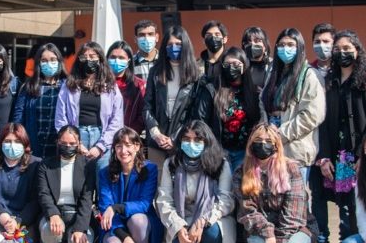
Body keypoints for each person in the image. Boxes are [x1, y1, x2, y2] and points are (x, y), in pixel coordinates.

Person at [312, 30, 366, 243]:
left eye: (347, 48)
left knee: (362, 204)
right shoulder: (329, 80)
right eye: (338, 49)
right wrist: (324, 157)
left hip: (362, 154)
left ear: (357, 50)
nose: (342, 53)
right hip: (339, 155)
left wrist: (364, 153)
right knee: (345, 206)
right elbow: (321, 120)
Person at [156, 120, 238, 243]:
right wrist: (179, 226)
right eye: (186, 139)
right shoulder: (172, 164)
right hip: (183, 215)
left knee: (213, 233)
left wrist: (203, 221)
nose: (191, 144)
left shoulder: (220, 164)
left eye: (197, 140)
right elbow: (164, 199)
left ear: (207, 141)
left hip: (212, 216)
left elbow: (226, 200)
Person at [235, 123, 311, 243]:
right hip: (260, 228)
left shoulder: (291, 168)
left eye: (268, 141)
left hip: (292, 228)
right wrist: (269, 236)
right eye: (258, 140)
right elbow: (248, 211)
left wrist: (280, 242)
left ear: (276, 145)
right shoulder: (242, 171)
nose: (263, 144)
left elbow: (294, 212)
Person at [94, 127, 162, 243]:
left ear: (137, 146)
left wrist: (117, 208)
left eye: (128, 145)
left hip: (140, 221)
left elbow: (144, 203)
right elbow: (105, 207)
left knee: (138, 220)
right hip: (116, 225)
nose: (123, 150)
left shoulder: (149, 169)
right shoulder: (105, 173)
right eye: (118, 146)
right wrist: (125, 237)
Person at [263, 27, 324, 188]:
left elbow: (312, 114)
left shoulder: (309, 75)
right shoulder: (273, 73)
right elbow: (262, 103)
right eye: (281, 45)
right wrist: (266, 132)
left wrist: (281, 134)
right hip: (269, 147)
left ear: (300, 47)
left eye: (291, 44)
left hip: (294, 149)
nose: (285, 49)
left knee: (294, 202)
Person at [144, 25, 206, 171]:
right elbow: (147, 106)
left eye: (178, 44)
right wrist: (156, 134)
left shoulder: (196, 75)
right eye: (170, 44)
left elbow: (195, 113)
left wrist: (175, 138)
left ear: (185, 45)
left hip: (184, 142)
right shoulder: (156, 72)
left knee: (180, 185)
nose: (174, 48)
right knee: (156, 184)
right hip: (156, 142)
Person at [36, 126, 97, 243]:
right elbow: (44, 194)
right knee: (50, 229)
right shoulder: (45, 165)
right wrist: (53, 214)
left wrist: (80, 228)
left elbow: (87, 198)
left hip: (76, 213)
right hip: (55, 212)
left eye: (72, 143)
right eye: (64, 143)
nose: (68, 147)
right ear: (57, 142)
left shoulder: (87, 165)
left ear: (79, 143)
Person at [55, 41, 124, 162]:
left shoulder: (111, 86)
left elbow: (117, 119)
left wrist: (100, 146)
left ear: (100, 59)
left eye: (92, 57)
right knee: (79, 177)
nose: (88, 60)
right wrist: (74, 142)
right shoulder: (69, 85)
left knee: (101, 176)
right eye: (84, 57)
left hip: (102, 136)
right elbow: (61, 117)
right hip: (76, 137)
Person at [0, 123, 43, 243]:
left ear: (25, 143)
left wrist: (18, 222)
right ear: (1, 143)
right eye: (7, 141)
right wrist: (2, 215)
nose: (12, 145)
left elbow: (36, 199)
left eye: (17, 141)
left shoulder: (36, 165)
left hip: (23, 219)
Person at [207, 47, 260, 171]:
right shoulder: (214, 90)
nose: (231, 67)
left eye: (236, 64)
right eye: (227, 64)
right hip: (220, 151)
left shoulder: (253, 93)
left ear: (244, 66)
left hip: (244, 152)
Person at [12, 43, 65, 158]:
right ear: (39, 63)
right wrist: (21, 140)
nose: (48, 64)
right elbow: (19, 116)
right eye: (44, 60)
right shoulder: (28, 86)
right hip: (34, 146)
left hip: (59, 146)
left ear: (59, 62)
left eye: (53, 60)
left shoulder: (66, 86)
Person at [107, 41, 147, 135]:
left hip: (129, 139)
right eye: (113, 57)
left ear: (129, 60)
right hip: (103, 139)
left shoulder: (139, 85)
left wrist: (128, 134)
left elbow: (143, 115)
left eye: (121, 58)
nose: (116, 60)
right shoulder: (98, 84)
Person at [242, 26, 272, 95]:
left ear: (265, 45)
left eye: (256, 41)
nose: (252, 44)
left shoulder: (273, 67)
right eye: (248, 42)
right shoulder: (241, 66)